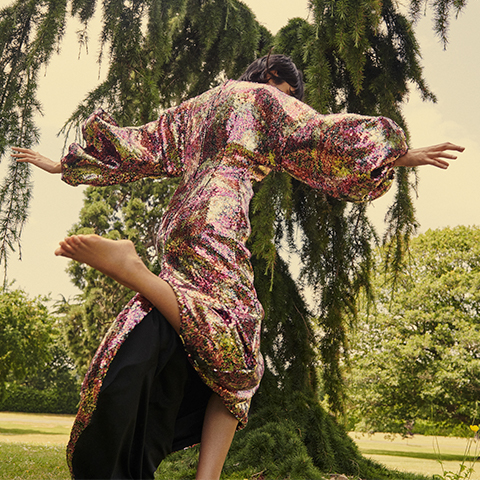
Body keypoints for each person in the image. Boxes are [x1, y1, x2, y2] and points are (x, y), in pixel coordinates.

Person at [12, 54, 464, 480]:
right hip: (220, 215)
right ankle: (134, 271)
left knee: (223, 345)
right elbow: (322, 134)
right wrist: (400, 153)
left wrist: (65, 166)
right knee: (242, 355)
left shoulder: (203, 104)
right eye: (289, 92)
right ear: (272, 81)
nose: (290, 102)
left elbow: (144, 145)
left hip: (182, 216)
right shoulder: (265, 100)